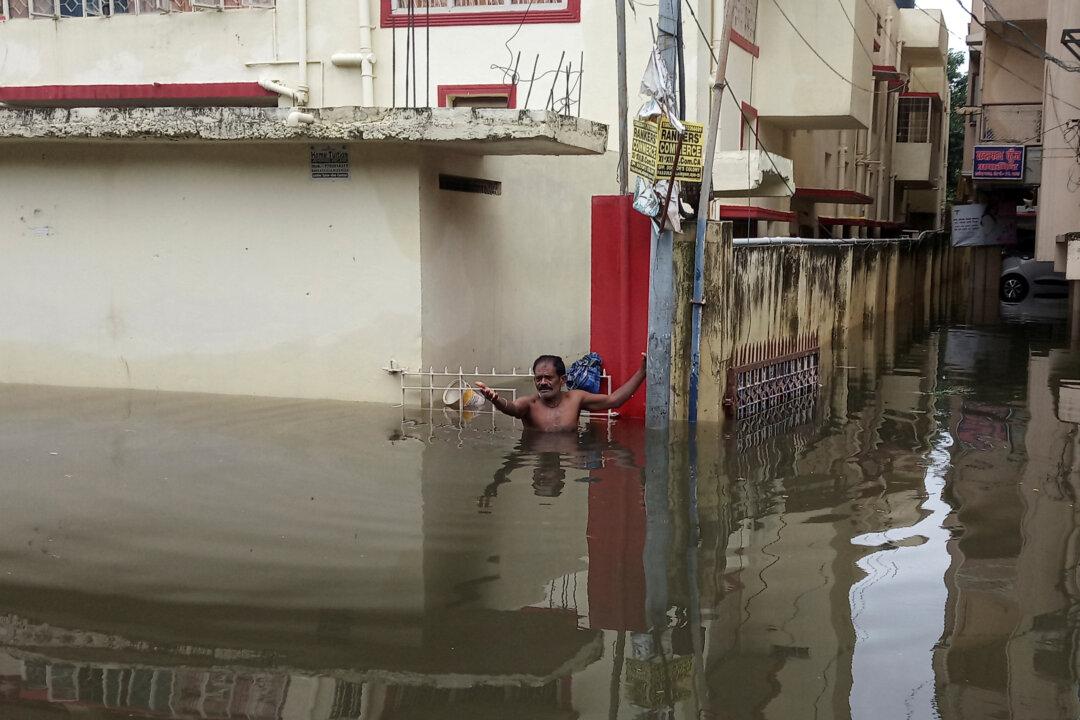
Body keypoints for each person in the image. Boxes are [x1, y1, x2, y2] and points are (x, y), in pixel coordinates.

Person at [475, 354, 646, 432]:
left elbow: (614, 400)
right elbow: (511, 407)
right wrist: (495, 400)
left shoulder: (576, 398)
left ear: (562, 380)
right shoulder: (529, 404)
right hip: (533, 453)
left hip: (569, 456)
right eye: (538, 378)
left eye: (548, 378)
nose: (542, 383)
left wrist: (642, 372)